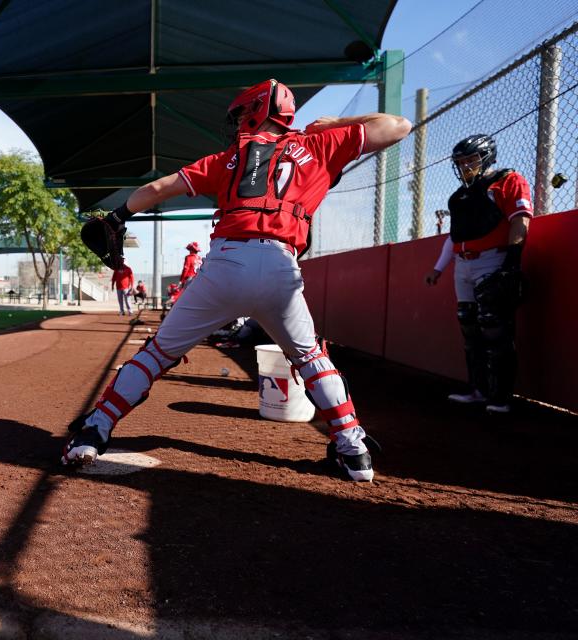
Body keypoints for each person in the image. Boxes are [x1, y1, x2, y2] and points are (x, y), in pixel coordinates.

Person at [62, 78, 412, 482]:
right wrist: (335, 123)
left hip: (227, 262)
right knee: (311, 359)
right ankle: (354, 452)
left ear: (260, 110)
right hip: (282, 266)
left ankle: (95, 429)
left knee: (157, 354)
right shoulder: (319, 145)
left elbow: (159, 188)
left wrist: (119, 216)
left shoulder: (228, 157)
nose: (240, 122)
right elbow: (399, 125)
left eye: (244, 113)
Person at [424, 133, 532, 414]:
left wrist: (513, 260)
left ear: (486, 157)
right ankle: (478, 390)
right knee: (469, 327)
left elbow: (520, 220)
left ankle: (500, 398)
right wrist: (438, 268)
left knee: (494, 326)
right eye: (460, 162)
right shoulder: (459, 196)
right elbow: (455, 237)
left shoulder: (508, 180)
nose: (465, 166)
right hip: (463, 263)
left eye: (470, 160)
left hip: (492, 259)